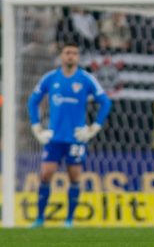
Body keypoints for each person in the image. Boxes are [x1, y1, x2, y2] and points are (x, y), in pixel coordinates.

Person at [28, 42, 112, 227]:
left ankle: (69, 220)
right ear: (61, 56)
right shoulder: (50, 78)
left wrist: (93, 128)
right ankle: (40, 218)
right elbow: (33, 101)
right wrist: (37, 127)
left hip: (76, 138)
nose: (71, 56)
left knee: (74, 177)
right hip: (54, 137)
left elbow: (105, 102)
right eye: (67, 53)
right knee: (45, 174)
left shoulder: (86, 79)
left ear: (78, 57)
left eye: (75, 53)